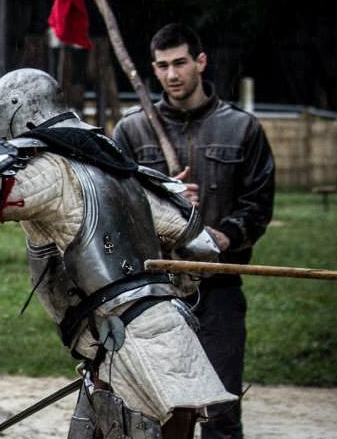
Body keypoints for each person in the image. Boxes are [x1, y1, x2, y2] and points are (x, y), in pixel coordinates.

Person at [0, 68, 234, 438]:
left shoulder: (53, 172)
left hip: (125, 347)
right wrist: (169, 282)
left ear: (23, 119)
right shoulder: (122, 169)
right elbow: (202, 248)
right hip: (168, 334)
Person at [113, 23, 276, 438]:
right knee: (160, 412)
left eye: (180, 63)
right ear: (152, 68)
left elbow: (258, 203)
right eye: (163, 66)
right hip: (153, 294)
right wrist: (163, 198)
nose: (172, 75)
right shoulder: (131, 131)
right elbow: (113, 206)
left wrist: (225, 235)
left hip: (219, 287)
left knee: (220, 413)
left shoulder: (242, 129)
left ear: (200, 62)